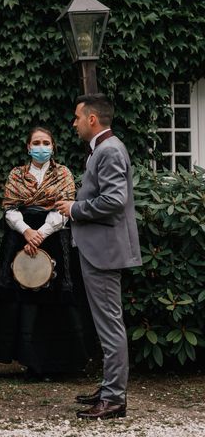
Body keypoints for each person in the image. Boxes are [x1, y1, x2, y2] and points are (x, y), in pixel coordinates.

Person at [56, 93, 141, 420]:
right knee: (106, 324)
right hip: (99, 250)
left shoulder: (108, 150)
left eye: (77, 117)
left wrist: (74, 208)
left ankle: (115, 399)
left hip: (104, 252)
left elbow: (114, 201)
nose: (74, 123)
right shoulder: (104, 149)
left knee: (110, 326)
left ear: (92, 119)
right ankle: (109, 388)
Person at [0, 127, 93, 379]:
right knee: (24, 302)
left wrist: (41, 233)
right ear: (28, 147)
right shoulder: (16, 174)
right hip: (20, 239)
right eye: (36, 142)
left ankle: (59, 362)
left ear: (53, 147)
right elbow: (10, 209)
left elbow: (64, 208)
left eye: (46, 142)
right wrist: (27, 232)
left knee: (56, 302)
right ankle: (30, 362)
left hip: (54, 237)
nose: (41, 146)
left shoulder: (63, 173)